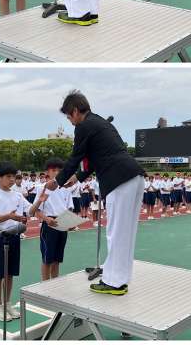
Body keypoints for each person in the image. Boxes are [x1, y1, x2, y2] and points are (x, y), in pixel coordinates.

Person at [45, 91, 144, 295]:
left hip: (118, 180)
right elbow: (92, 159)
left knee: (116, 232)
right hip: (134, 176)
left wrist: (57, 181)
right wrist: (77, 178)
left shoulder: (83, 126)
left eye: (69, 117)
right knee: (126, 232)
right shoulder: (100, 122)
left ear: (75, 111)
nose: (70, 121)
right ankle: (119, 276)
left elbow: (75, 157)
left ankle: (114, 282)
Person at [0, 162, 47, 321]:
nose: (12, 179)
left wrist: (39, 201)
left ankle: (7, 304)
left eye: (14, 176)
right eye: (8, 176)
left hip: (14, 235)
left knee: (10, 273)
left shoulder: (17, 195)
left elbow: (30, 211)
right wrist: (10, 216)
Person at [35, 158, 73, 280]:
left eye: (59, 170)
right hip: (49, 224)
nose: (57, 172)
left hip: (62, 223)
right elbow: (36, 210)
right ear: (47, 172)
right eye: (54, 170)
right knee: (47, 259)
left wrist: (70, 222)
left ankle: (55, 284)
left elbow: (69, 208)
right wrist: (46, 219)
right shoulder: (42, 188)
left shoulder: (66, 188)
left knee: (57, 259)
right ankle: (45, 285)